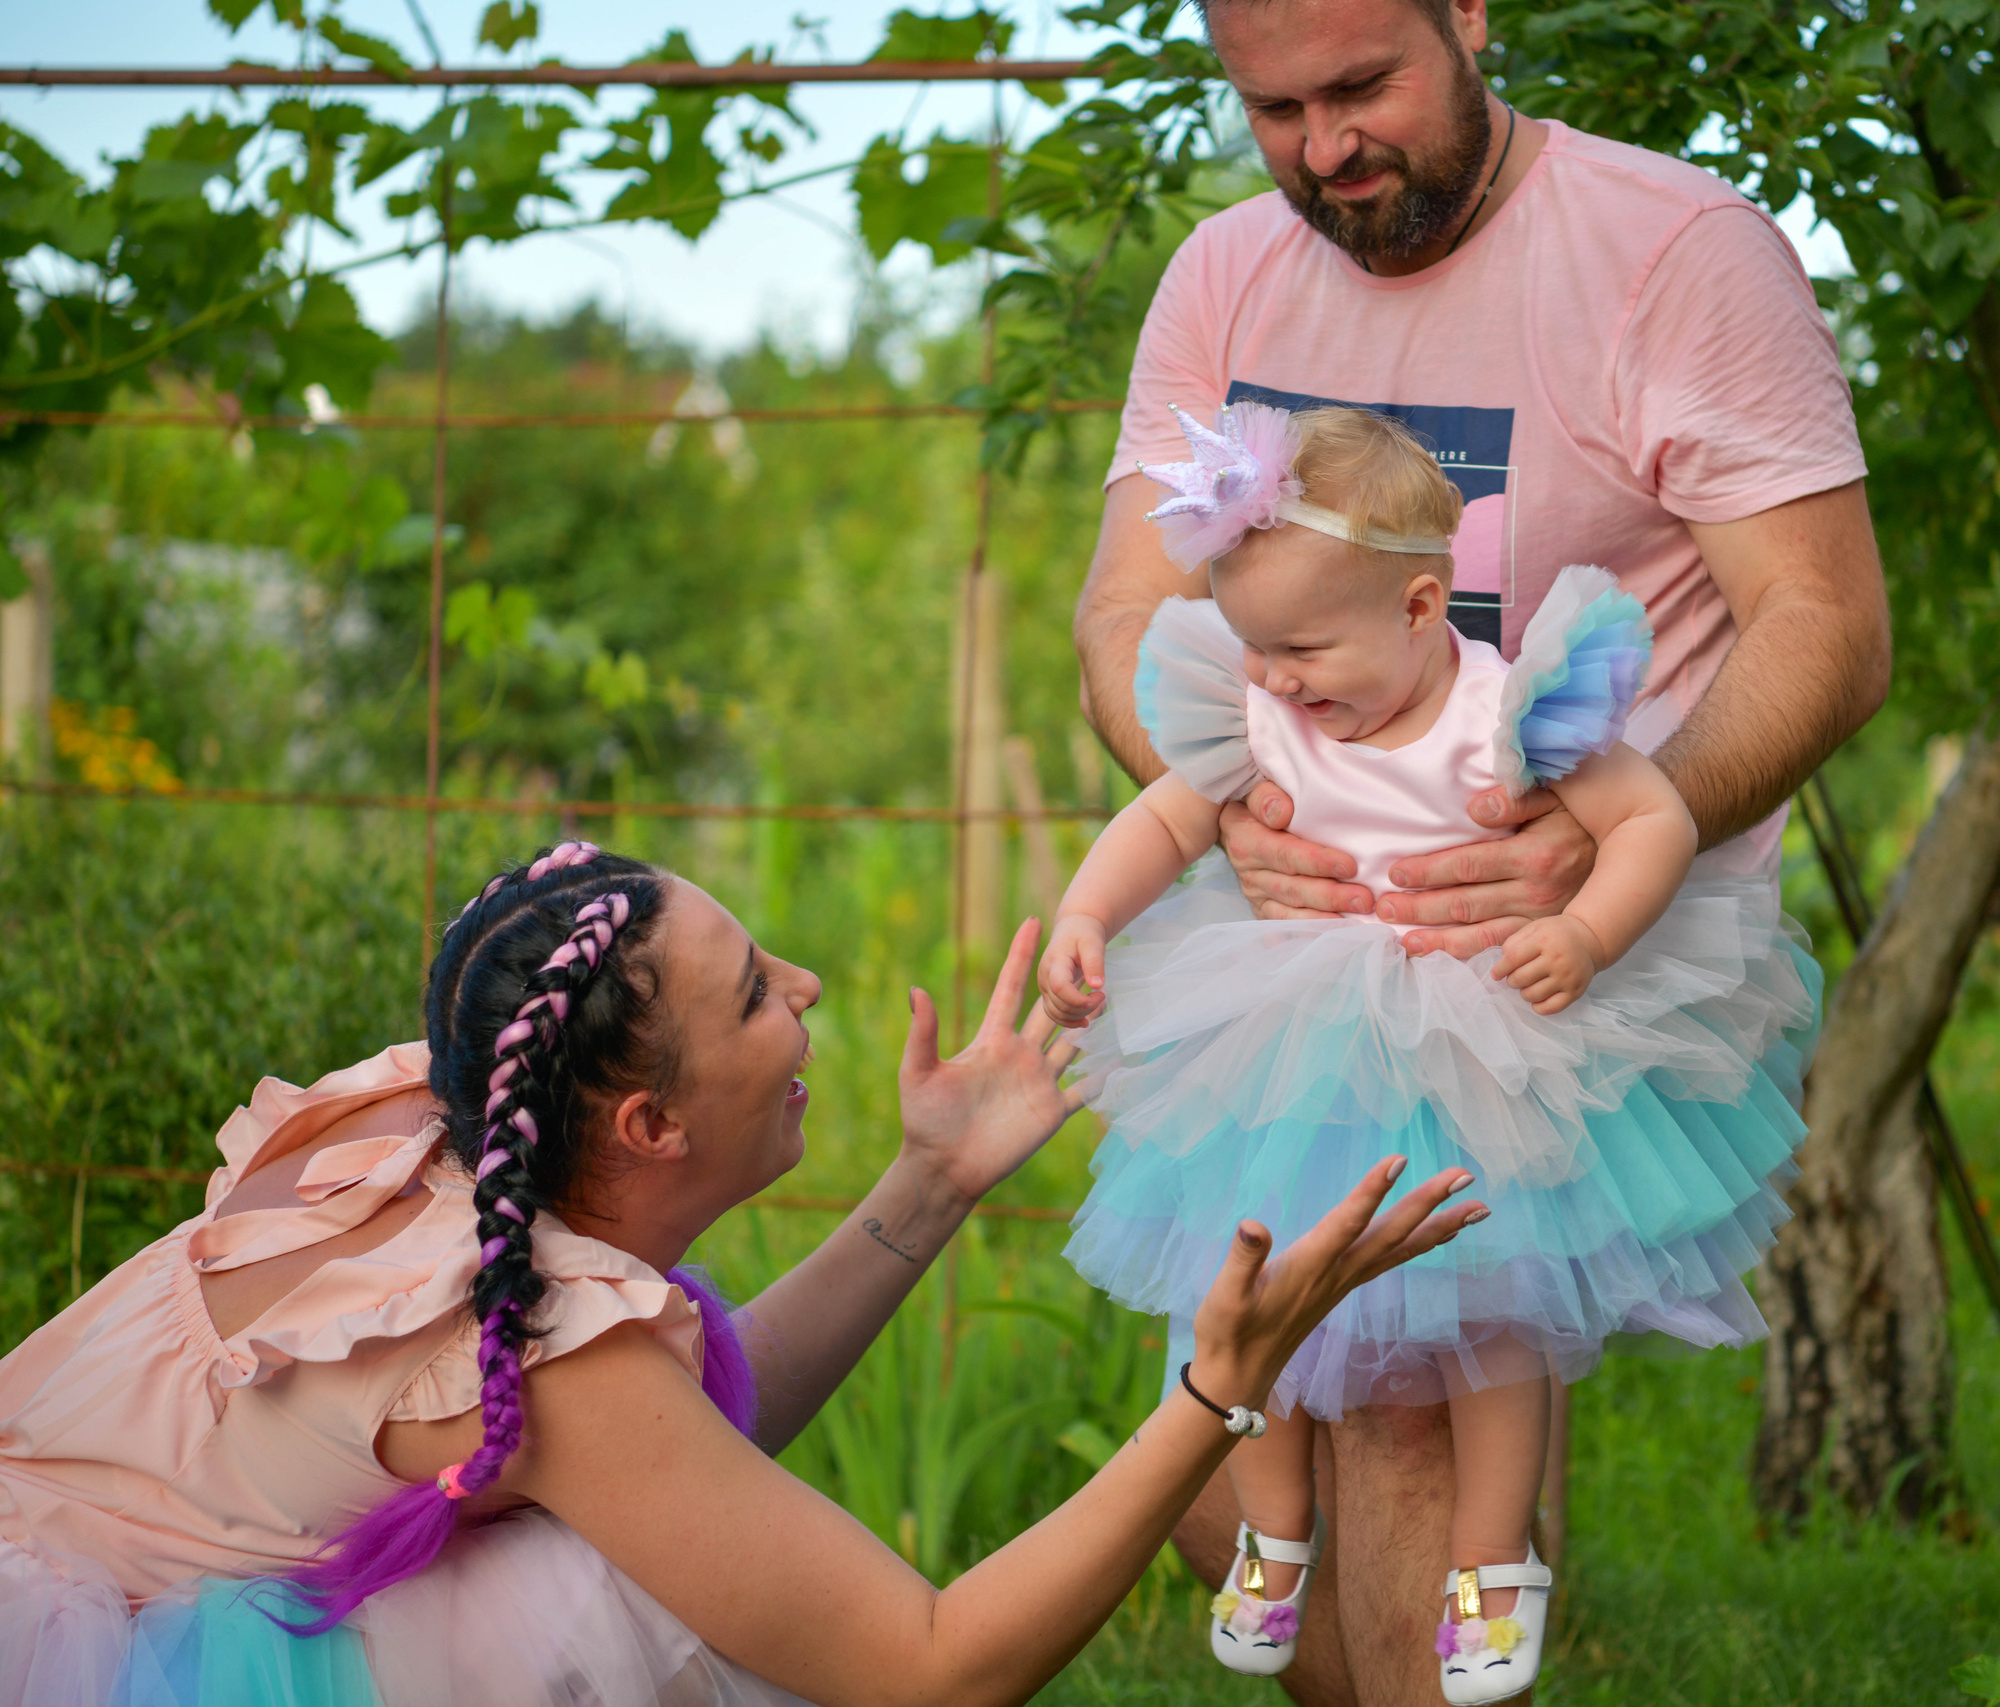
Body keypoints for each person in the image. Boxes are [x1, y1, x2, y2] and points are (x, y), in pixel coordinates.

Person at [1070, 0, 1890, 1699]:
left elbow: (1826, 623)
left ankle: (1467, 1602)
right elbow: (1124, 619)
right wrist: (1236, 803)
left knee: (1408, 1398)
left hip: (1562, 974)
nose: (1322, 149)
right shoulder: (1222, 276)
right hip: (1296, 967)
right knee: (1219, 1451)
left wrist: (1595, 851)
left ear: (1469, 13)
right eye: (1272, 108)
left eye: (1361, 85)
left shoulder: (1674, 253)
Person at [0, 839, 1485, 1707]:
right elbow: (932, 1668)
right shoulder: (558, 1361)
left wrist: (934, 1179)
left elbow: (679, 1455)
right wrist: (1222, 1387)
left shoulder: (434, 1125)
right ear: (649, 1127)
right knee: (597, 1598)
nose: (810, 989)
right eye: (758, 992)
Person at [1043, 405, 1815, 1705]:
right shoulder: (1264, 713)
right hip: (1294, 1056)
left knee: (1495, 1318)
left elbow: (1654, 823)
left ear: (1419, 606)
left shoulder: (1508, 713)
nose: (1277, 680)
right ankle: (1273, 1534)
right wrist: (1084, 915)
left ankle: (1492, 1564)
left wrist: (1587, 932)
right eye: (1254, 647)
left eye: (1303, 650)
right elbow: (1164, 823)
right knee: (1259, 1292)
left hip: (1481, 1058)